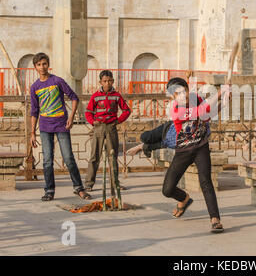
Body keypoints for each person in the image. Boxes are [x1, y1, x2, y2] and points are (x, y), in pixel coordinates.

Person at [148, 77, 229, 233]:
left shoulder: (196, 99)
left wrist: (223, 101)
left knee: (206, 181)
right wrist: (219, 93)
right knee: (167, 190)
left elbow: (206, 115)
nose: (182, 95)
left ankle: (215, 219)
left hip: (201, 146)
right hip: (183, 151)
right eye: (177, 93)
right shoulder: (175, 109)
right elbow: (200, 111)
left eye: (184, 91)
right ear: (172, 97)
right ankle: (184, 199)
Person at [30, 52, 91, 201]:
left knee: (68, 157)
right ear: (35, 67)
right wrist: (32, 132)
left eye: (44, 63)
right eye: (39, 64)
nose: (42, 67)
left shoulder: (57, 81)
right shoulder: (35, 87)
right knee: (47, 160)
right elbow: (34, 111)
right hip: (44, 127)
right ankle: (49, 190)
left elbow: (74, 98)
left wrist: (71, 117)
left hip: (62, 125)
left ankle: (79, 188)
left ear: (48, 65)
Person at [84, 70, 131, 192]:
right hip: (98, 127)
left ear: (113, 81)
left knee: (112, 156)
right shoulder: (95, 96)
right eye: (105, 81)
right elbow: (88, 112)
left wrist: (118, 120)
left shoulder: (116, 95)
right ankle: (89, 184)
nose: (107, 83)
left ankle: (115, 184)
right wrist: (92, 122)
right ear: (100, 82)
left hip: (111, 127)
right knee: (95, 156)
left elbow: (126, 110)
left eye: (110, 81)